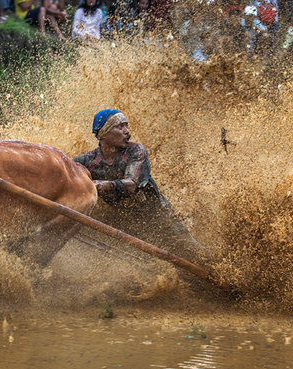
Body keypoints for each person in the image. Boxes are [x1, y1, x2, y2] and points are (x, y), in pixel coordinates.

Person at [73, 109, 213, 269]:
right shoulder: (86, 160)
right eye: (120, 127)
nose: (127, 132)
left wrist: (97, 185)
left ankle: (226, 272)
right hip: (126, 223)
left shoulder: (136, 151)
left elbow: (131, 184)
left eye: (126, 126)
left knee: (194, 251)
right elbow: (64, 174)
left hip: (158, 217)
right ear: (103, 133)